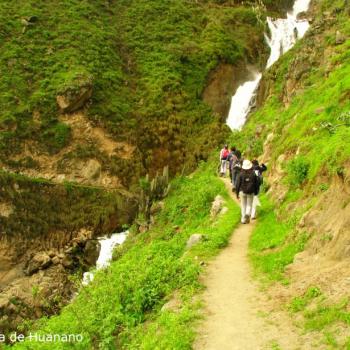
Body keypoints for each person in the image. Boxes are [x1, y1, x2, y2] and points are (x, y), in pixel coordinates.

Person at [236, 159, 259, 224]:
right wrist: (256, 192)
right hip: (250, 192)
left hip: (242, 192)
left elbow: (237, 184)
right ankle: (247, 213)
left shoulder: (240, 174)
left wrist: (237, 194)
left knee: (243, 205)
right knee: (249, 205)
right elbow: (256, 184)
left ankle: (243, 220)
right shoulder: (253, 174)